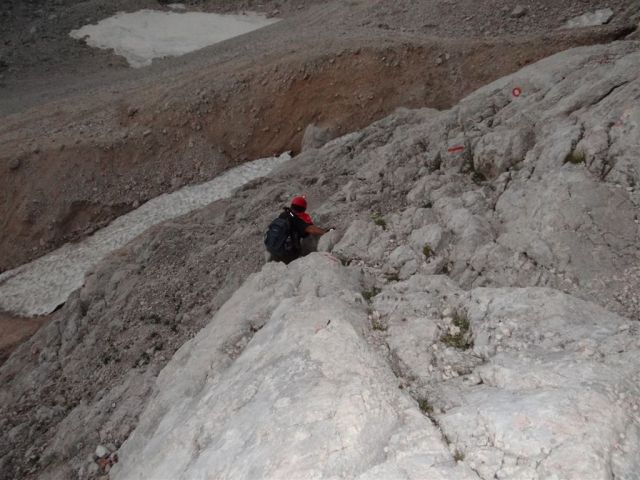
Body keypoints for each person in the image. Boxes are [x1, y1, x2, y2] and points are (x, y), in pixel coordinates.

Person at [264, 196, 331, 264]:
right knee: (308, 237)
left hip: (272, 249)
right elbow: (312, 230)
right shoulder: (296, 219)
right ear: (303, 209)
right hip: (286, 255)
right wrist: (327, 231)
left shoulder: (284, 214)